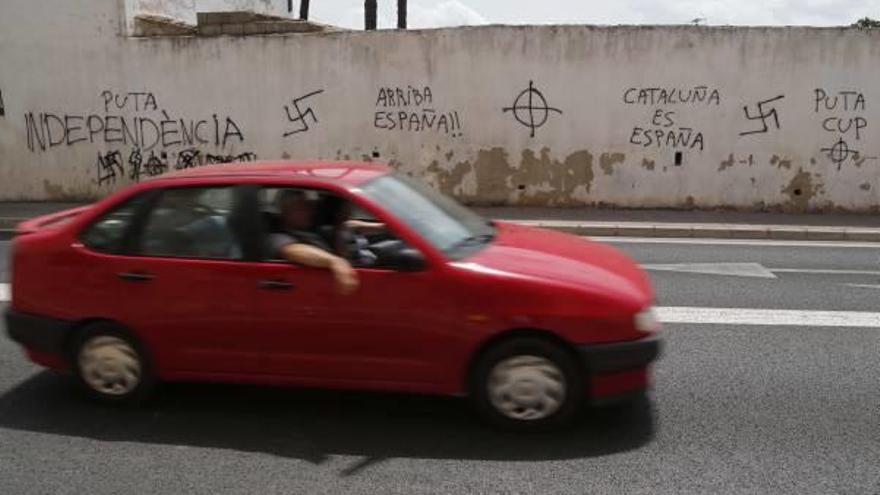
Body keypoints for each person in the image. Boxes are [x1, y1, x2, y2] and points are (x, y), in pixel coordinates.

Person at [269, 189, 359, 295]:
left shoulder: (312, 228)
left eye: (309, 207)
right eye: (301, 209)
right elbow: (293, 250)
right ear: (285, 212)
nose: (308, 212)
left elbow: (349, 225)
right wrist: (335, 262)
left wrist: (378, 227)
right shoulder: (277, 236)